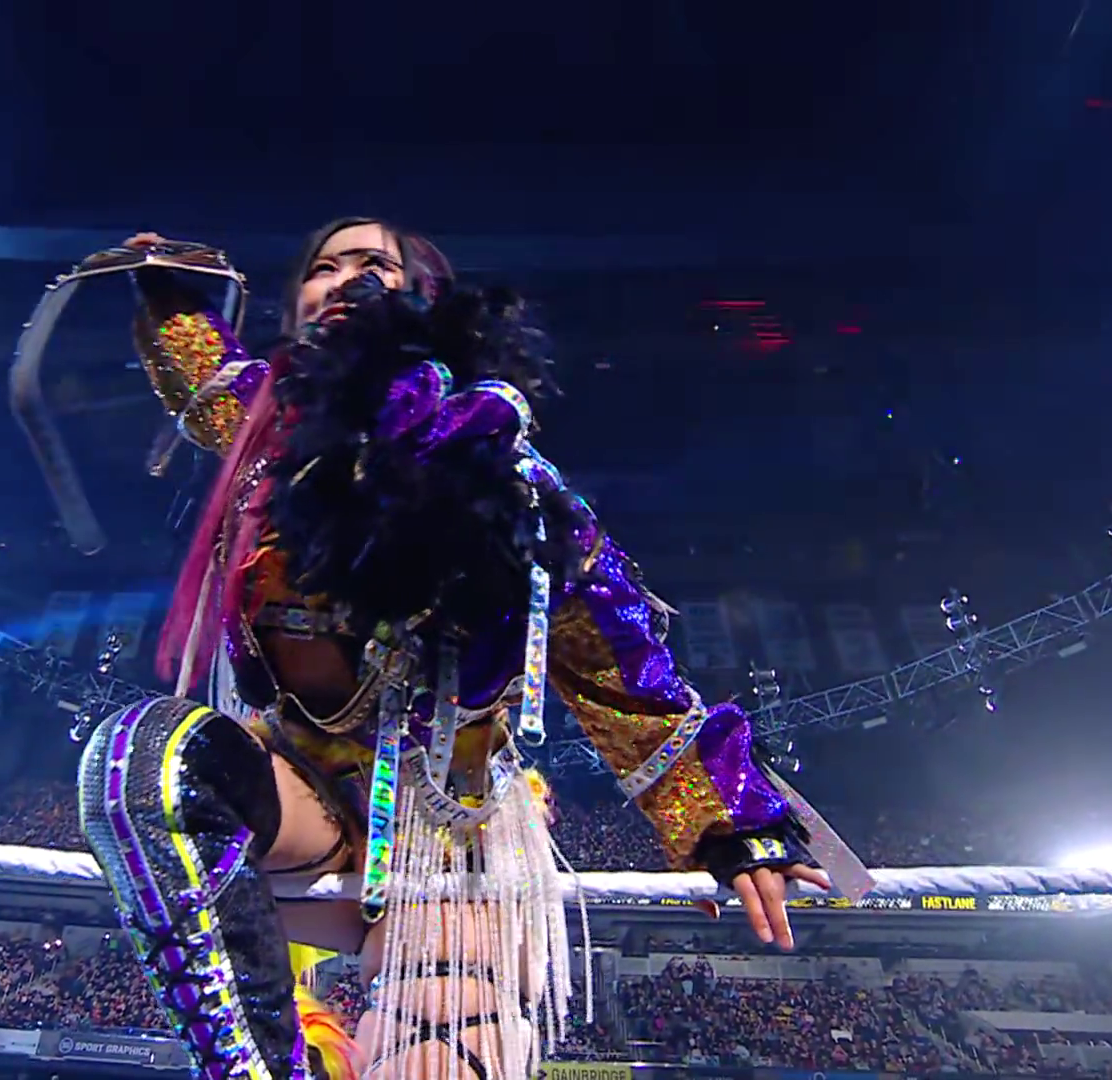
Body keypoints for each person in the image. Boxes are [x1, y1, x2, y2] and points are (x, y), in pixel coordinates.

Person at [77, 219, 864, 1080]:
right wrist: (162, 283)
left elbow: (619, 669)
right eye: (323, 268)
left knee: (434, 1050)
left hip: (447, 823)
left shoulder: (507, 478)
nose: (345, 279)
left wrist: (733, 823)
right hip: (303, 790)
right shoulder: (268, 443)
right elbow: (206, 375)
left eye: (373, 264)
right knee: (142, 763)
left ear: (426, 300)